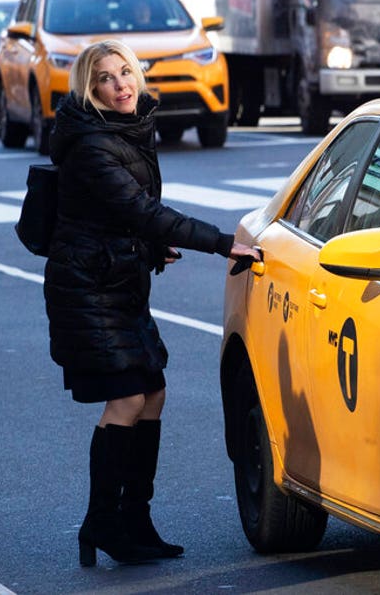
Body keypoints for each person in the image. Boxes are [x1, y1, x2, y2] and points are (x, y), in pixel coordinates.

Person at [43, 40, 259, 567]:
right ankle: (102, 521)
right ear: (89, 90)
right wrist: (219, 241)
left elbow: (124, 213)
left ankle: (134, 519)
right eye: (105, 80)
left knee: (154, 392)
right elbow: (141, 209)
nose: (120, 85)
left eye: (125, 73)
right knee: (127, 399)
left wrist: (150, 244)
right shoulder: (94, 144)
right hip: (88, 288)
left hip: (117, 278)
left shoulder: (129, 126)